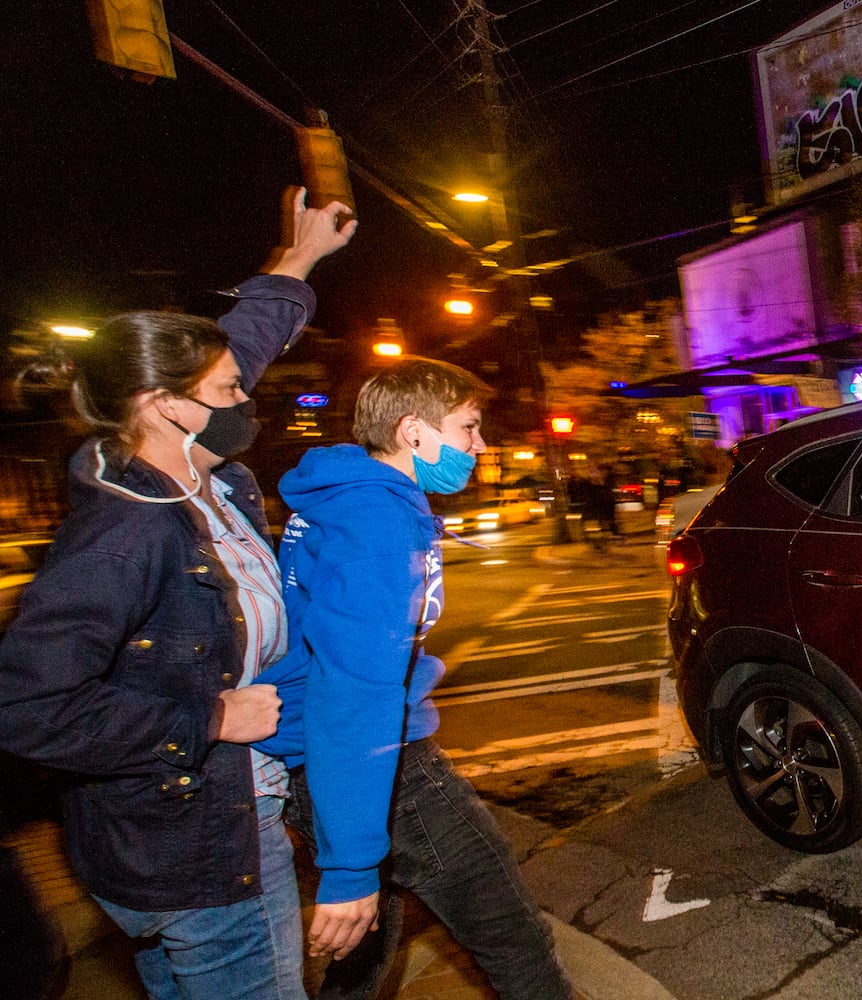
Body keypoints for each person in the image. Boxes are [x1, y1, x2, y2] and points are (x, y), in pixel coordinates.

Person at [0, 190, 356, 1000]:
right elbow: (21, 702)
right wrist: (209, 720)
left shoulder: (197, 471)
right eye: (229, 390)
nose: (246, 396)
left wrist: (299, 258)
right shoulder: (129, 530)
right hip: (194, 844)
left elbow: (243, 344)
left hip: (182, 832)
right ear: (162, 405)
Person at [256, 358, 577, 1000]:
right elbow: (356, 690)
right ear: (413, 433)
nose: (480, 446)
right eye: (468, 428)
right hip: (385, 764)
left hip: (326, 761)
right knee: (514, 941)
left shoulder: (354, 498)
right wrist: (349, 866)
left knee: (364, 954)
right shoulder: (378, 524)